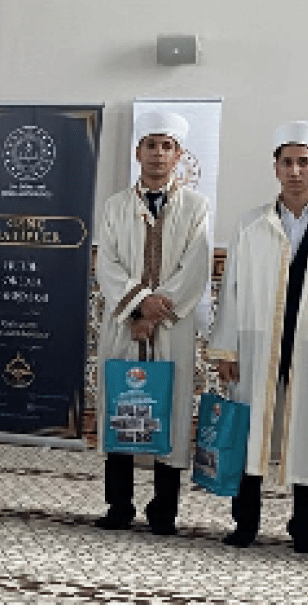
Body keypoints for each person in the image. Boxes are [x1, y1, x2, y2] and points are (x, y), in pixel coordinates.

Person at [208, 122, 308, 553]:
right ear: (275, 167)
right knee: (251, 435)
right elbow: (232, 288)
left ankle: (304, 529)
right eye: (287, 162)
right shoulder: (251, 223)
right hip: (259, 341)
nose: (295, 170)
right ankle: (245, 524)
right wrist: (226, 347)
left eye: (304, 162)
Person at [93, 110, 210, 536]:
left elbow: (194, 266)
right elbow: (107, 263)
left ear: (179, 155)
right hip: (124, 324)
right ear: (137, 151)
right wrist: (137, 309)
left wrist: (156, 310)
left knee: (170, 412)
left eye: (167, 146)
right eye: (151, 145)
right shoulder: (115, 206)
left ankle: (164, 510)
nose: (158, 154)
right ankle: (119, 505)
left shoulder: (197, 207)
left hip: (172, 327)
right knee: (122, 406)